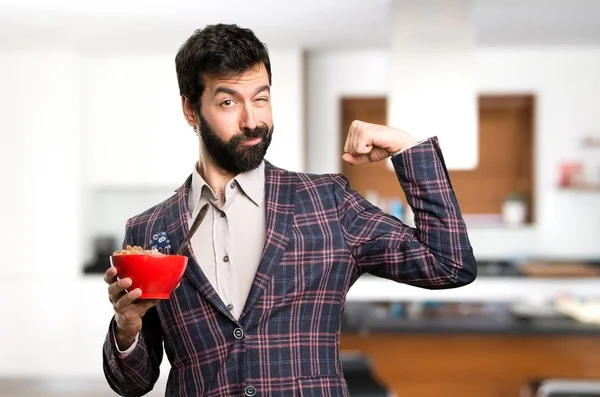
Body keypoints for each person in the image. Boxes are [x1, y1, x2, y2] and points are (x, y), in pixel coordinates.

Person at [102, 23, 476, 397]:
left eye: (261, 99)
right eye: (228, 102)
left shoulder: (327, 202)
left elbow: (449, 264)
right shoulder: (149, 230)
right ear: (190, 109)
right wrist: (126, 326)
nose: (252, 121)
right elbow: (132, 383)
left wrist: (406, 150)